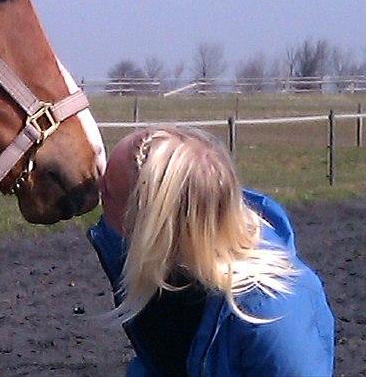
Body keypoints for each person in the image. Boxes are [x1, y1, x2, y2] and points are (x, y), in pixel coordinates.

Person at [87, 125, 334, 377]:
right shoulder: (153, 265)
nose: (95, 189)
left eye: (107, 193)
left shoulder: (272, 320)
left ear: (153, 227)